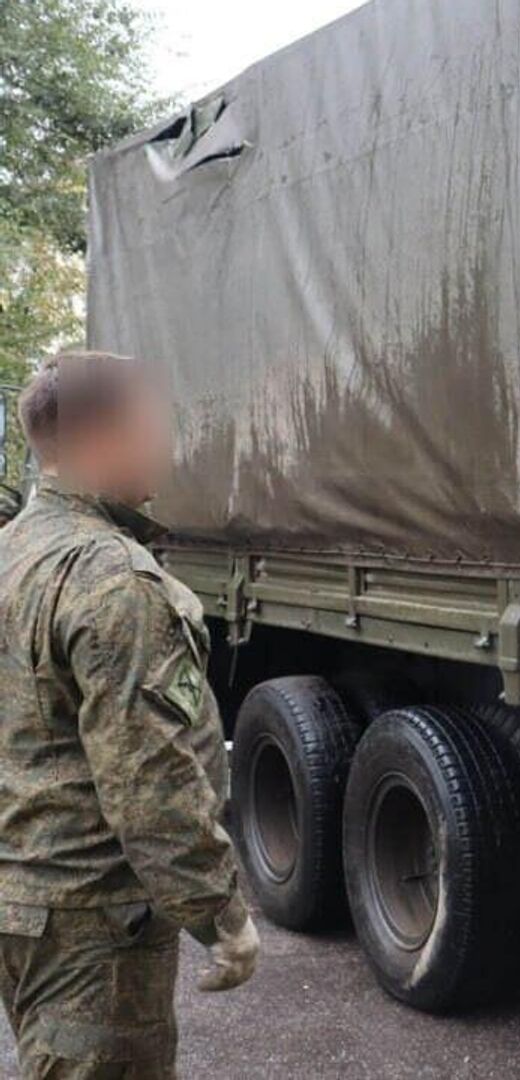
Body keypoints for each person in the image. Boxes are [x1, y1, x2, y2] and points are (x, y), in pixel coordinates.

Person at [0, 351, 259, 1078]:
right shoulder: (114, 580)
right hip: (94, 924)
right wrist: (221, 915)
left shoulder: (12, 552)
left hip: (23, 902)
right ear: (101, 438)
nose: (166, 447)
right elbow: (149, 784)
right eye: (153, 427)